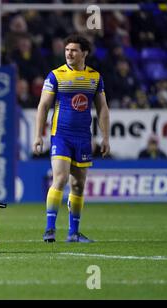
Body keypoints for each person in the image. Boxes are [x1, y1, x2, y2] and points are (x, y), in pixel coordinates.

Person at [33, 34, 111, 243]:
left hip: (83, 137)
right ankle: (49, 229)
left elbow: (102, 108)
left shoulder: (95, 77)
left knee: (78, 185)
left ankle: (73, 233)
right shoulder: (56, 76)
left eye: (74, 50)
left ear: (84, 53)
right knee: (60, 178)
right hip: (61, 136)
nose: (69, 53)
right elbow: (43, 106)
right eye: (67, 50)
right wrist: (38, 135)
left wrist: (105, 137)